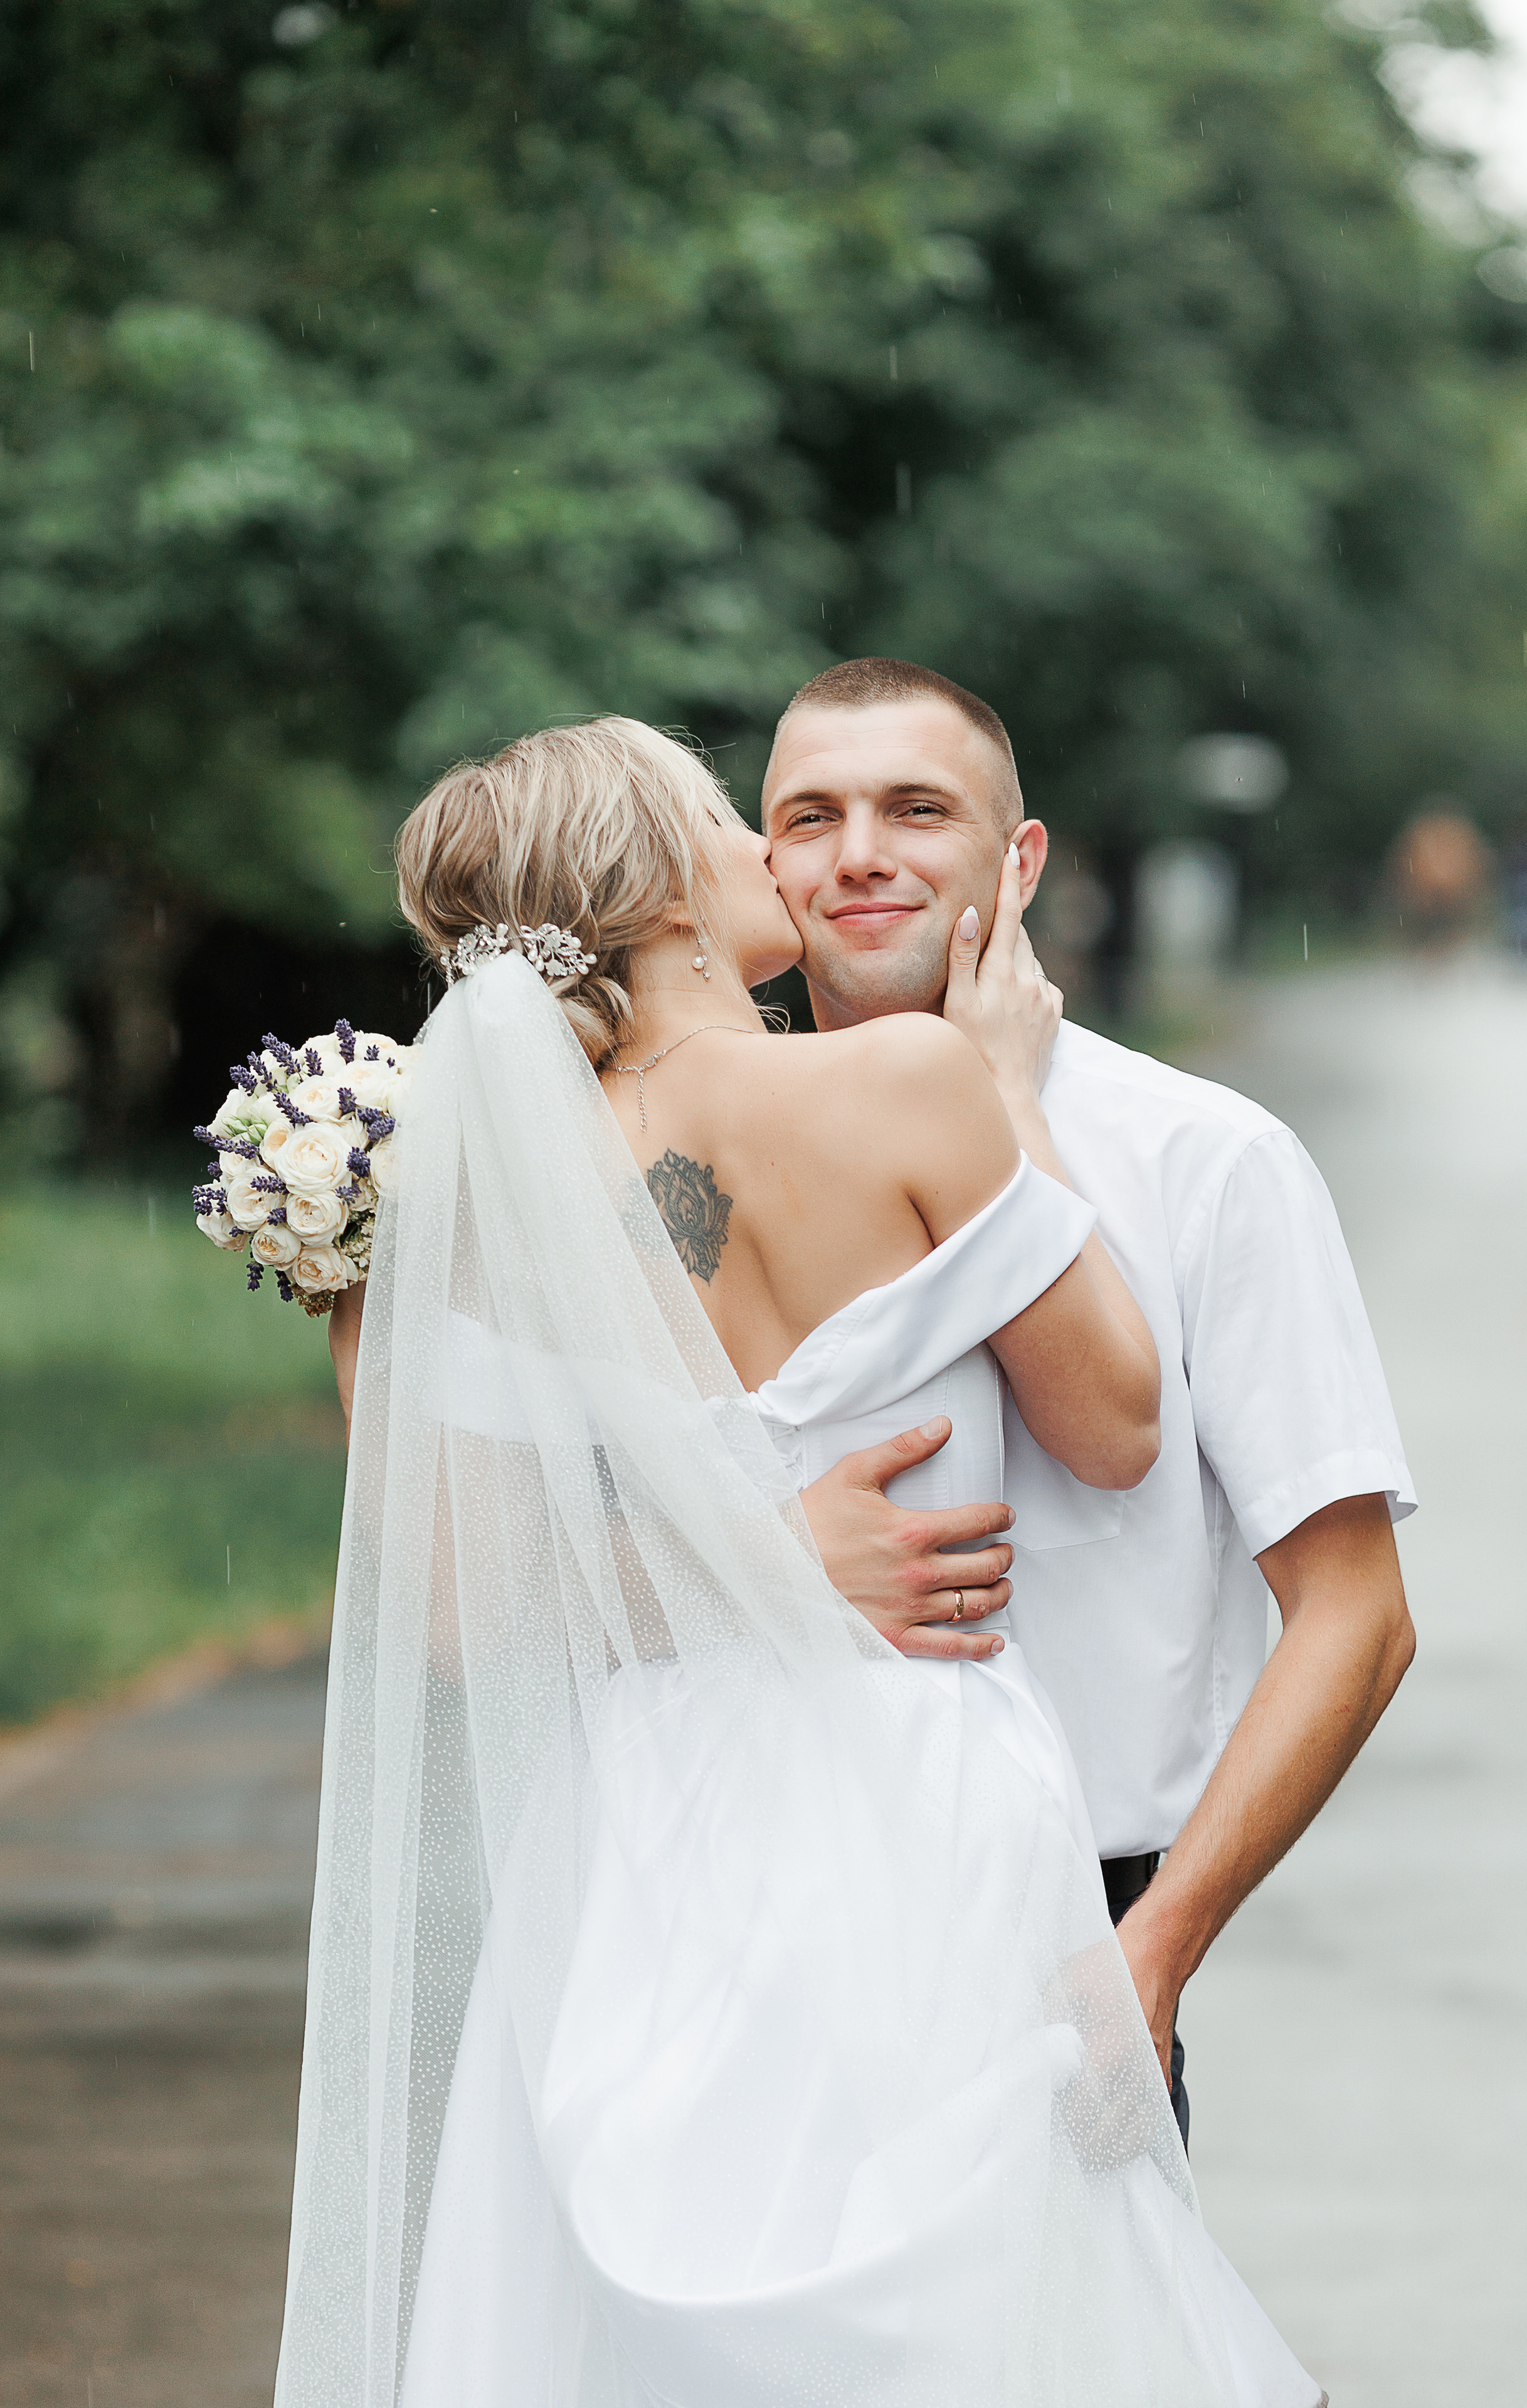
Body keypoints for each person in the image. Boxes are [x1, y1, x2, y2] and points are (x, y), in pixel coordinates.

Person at [283, 718, 1324, 2405]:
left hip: (637, 1834)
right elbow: (1119, 1423)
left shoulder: (476, 1200)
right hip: (916, 1792)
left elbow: (466, 1614)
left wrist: (740, 1564)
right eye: (728, 817)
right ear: (666, 889)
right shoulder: (906, 1086)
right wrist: (1003, 1089)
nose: (776, 851)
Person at [761, 659, 1418, 2137]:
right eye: (811, 817)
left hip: (1072, 1937)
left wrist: (1151, 1955)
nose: (858, 852)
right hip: (751, 1918)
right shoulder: (699, 1167)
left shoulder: (1206, 1158)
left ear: (1019, 859)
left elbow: (1356, 1617)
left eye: (914, 809)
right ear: (762, 864)